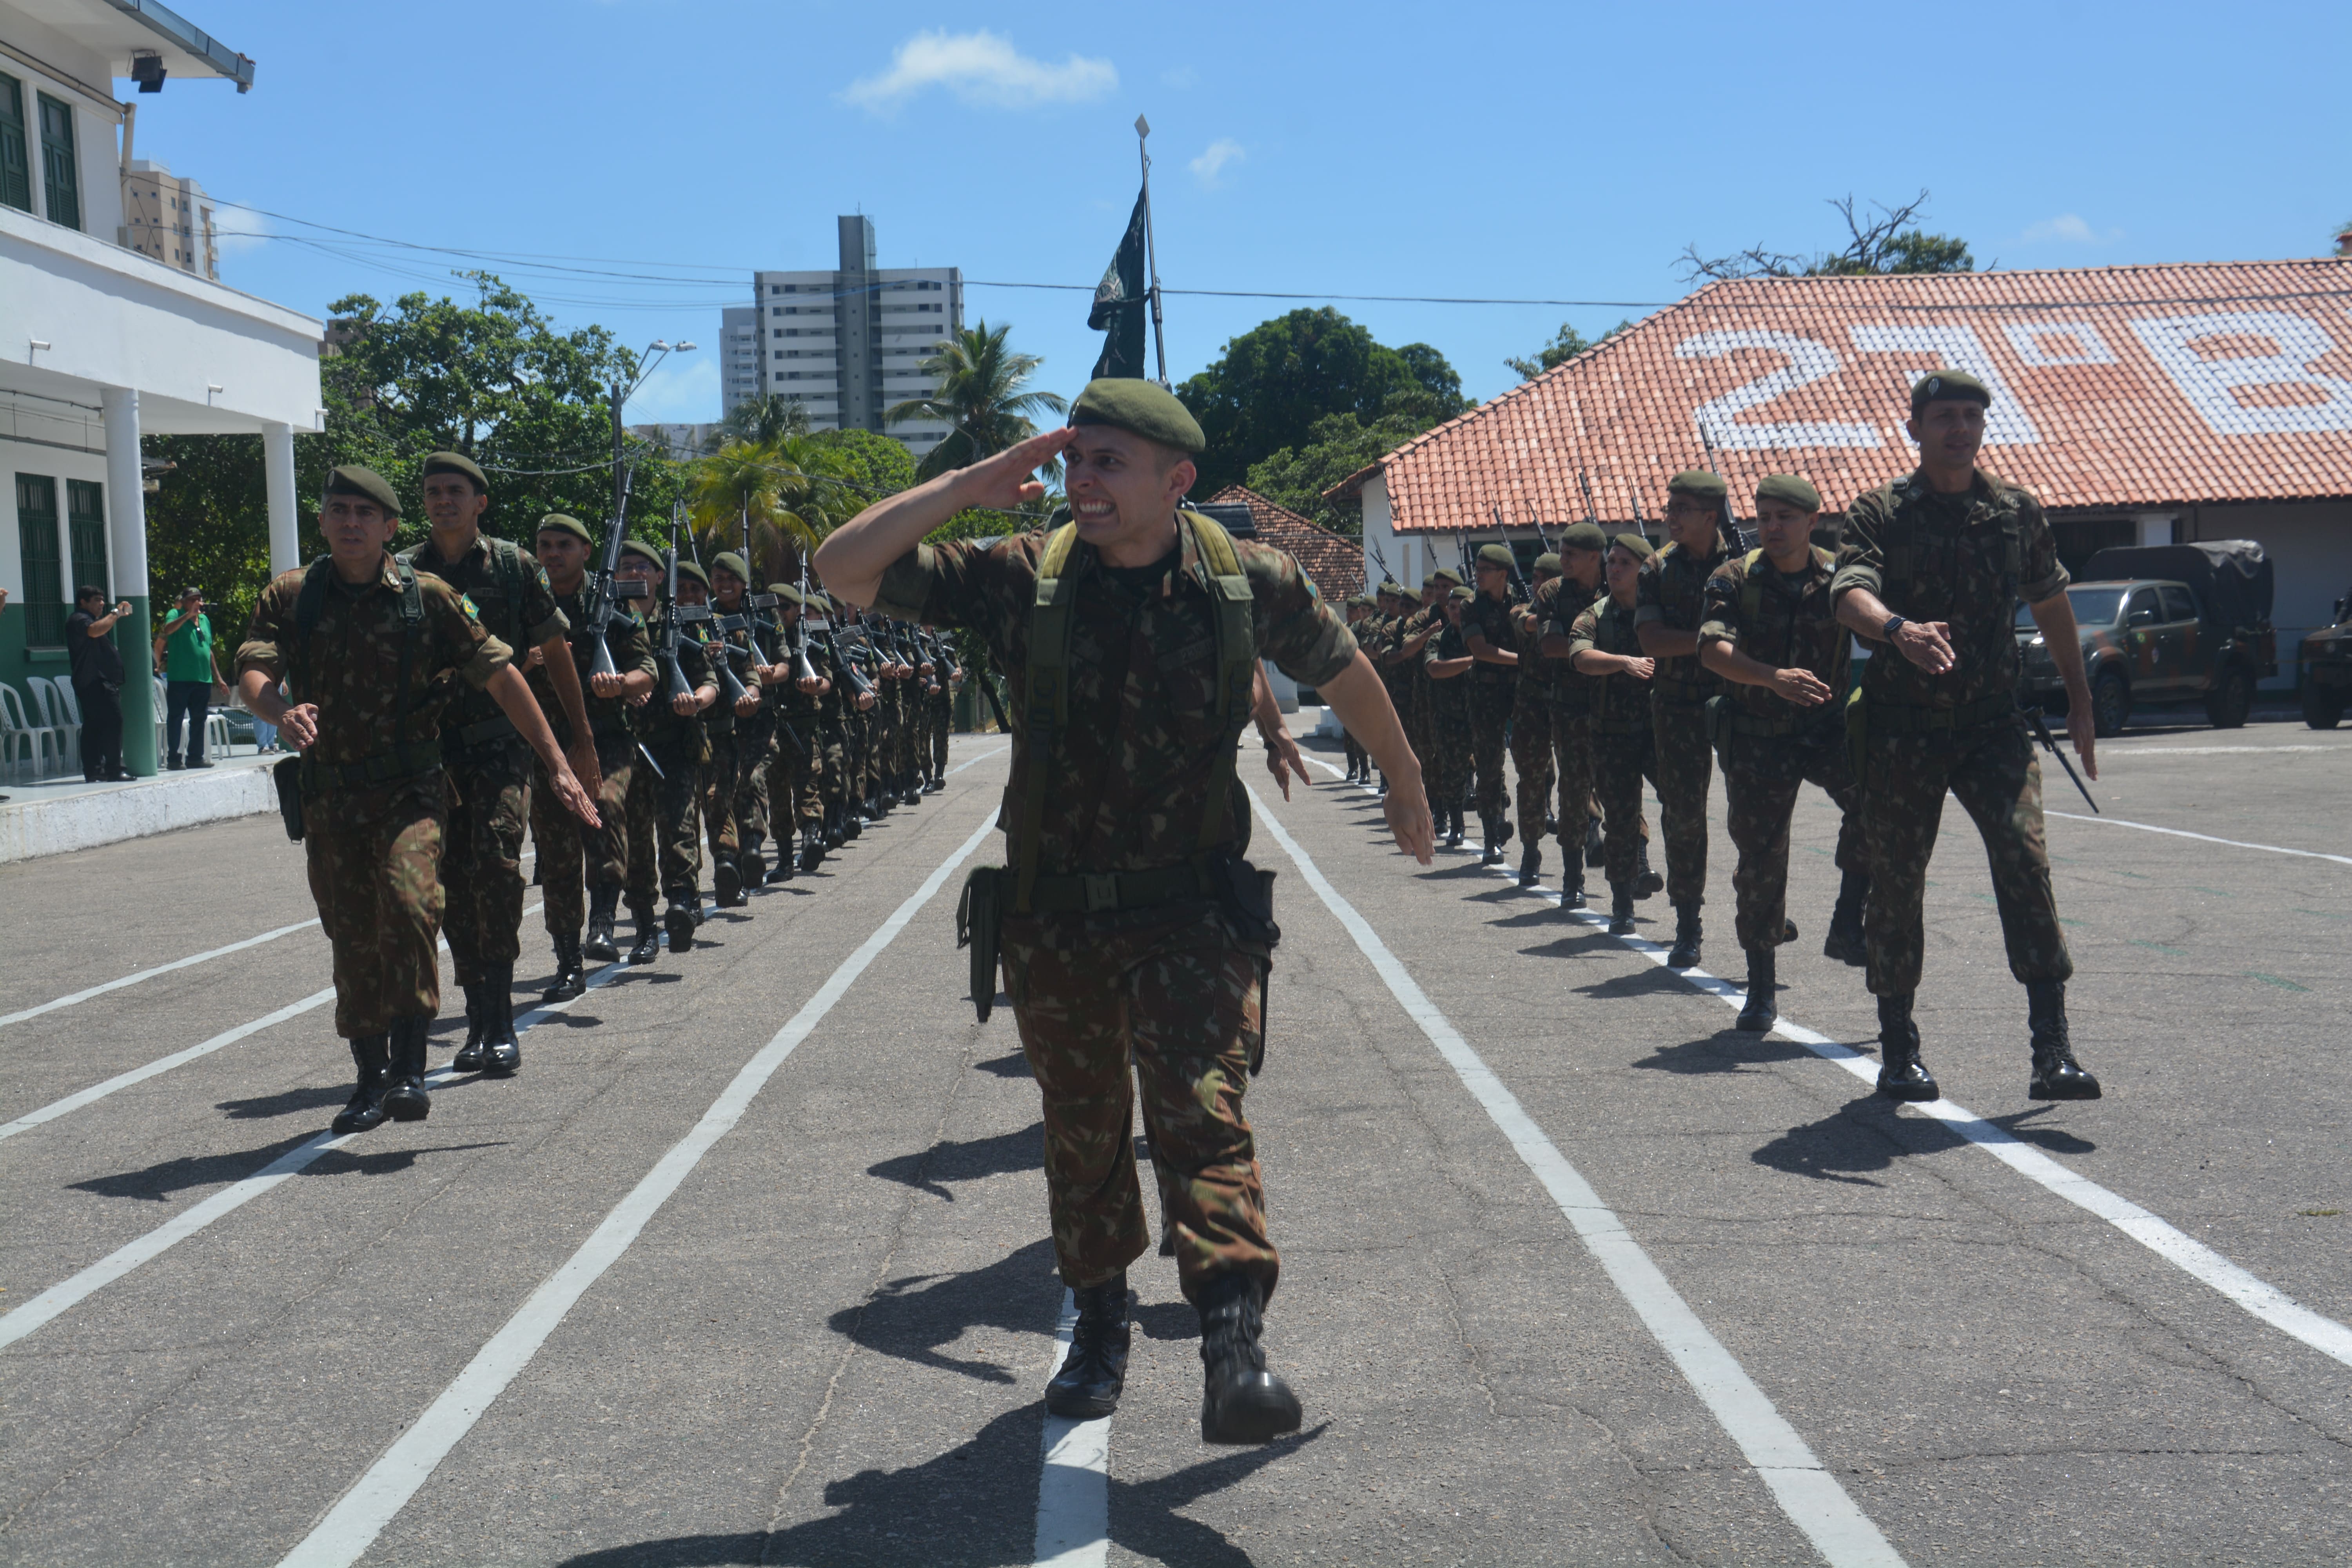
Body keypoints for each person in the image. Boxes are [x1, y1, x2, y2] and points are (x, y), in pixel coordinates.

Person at [816, 377, 1432, 1445]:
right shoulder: (1023, 577)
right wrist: (970, 485)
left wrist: (1408, 778)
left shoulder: (1245, 578)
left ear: (1175, 480)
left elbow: (1344, 669)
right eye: (1074, 461)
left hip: (1193, 908)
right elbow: (841, 569)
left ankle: (1234, 1342)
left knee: (1202, 1111)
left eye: (1109, 463)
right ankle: (1101, 1320)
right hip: (1055, 915)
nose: (1081, 482)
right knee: (1086, 1129)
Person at [237, 466, 597, 1137]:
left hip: (413, 789)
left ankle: (409, 1068)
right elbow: (253, 669)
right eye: (338, 510)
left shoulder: (427, 596)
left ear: (389, 528)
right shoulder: (292, 596)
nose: (350, 523)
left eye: (364, 514)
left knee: (412, 905)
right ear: (322, 521)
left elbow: (503, 673)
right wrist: (278, 710)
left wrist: (559, 760)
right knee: (352, 936)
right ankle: (369, 1076)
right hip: (333, 798)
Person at [1831, 369, 2102, 1102]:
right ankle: (1899, 1049)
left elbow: (2049, 601)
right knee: (1897, 881)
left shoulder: (2015, 512)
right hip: (1902, 731)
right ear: (1914, 428)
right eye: (1945, 416)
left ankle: (2053, 1050)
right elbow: (1847, 593)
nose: (1960, 428)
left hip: (1992, 728)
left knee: (2025, 863)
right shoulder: (1880, 512)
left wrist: (2079, 699)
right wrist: (1897, 629)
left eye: (1972, 417)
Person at [399, 452, 597, 1077]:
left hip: (501, 745)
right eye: (433, 492)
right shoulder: (403, 572)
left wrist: (579, 740)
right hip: (432, 753)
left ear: (480, 502)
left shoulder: (513, 567)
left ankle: (501, 1019)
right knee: (450, 887)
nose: (442, 501)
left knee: (498, 867)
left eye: (455, 491)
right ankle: (478, 1013)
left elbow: (555, 650)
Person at [1697, 475, 1870, 1033]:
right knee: (1760, 861)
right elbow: (1712, 649)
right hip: (1758, 734)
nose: (1772, 527)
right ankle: (1762, 987)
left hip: (1826, 728)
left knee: (1877, 807)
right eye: (1764, 517)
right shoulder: (1734, 579)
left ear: (1812, 522)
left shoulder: (1843, 576)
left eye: (1785, 518)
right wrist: (1773, 679)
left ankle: (1848, 922)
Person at [527, 513, 657, 999]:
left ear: (585, 551)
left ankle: (606, 918)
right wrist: (528, 659)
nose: (553, 553)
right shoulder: (527, 604)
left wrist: (621, 684)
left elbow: (648, 669)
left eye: (564, 544)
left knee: (604, 810)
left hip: (608, 739)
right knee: (557, 853)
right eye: (545, 544)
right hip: (548, 744)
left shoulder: (615, 605)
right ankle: (568, 963)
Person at [1634, 472, 1733, 969]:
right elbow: (1651, 641)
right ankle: (1687, 923)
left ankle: (1761, 912)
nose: (1668, 516)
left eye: (1681, 508)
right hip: (1676, 704)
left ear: (1710, 517)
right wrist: (1713, 641)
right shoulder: (1656, 568)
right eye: (1669, 506)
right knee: (1685, 814)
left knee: (1756, 817)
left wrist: (1695, 642)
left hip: (1738, 698)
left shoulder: (1743, 564)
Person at [625, 541, 719, 955]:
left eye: (641, 567)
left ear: (660, 576)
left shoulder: (679, 624)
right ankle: (645, 925)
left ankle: (681, 903)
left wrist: (695, 701)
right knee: (635, 841)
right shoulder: (611, 622)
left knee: (679, 830)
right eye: (625, 567)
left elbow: (711, 681)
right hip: (625, 749)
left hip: (674, 745)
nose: (632, 574)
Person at [1570, 535, 1662, 936]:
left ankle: (1687, 905)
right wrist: (1623, 661)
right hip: (1613, 735)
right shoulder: (1595, 615)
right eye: (1611, 562)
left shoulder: (1659, 613)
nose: (1614, 568)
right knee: (1622, 822)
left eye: (1625, 562)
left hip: (1660, 734)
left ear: (1644, 568)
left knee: (1683, 813)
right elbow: (1579, 655)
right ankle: (1622, 904)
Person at [1459, 544, 1523, 864]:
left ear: (1503, 574)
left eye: (1485, 570)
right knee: (1488, 765)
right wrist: (1522, 661)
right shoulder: (1471, 607)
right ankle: (1490, 837)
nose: (1478, 575)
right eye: (1477, 569)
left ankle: (1526, 824)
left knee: (1531, 761)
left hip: (1519, 693)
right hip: (1485, 695)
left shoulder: (1519, 603)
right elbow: (1481, 650)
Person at [1507, 555, 1562, 884]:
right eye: (1534, 577)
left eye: (1543, 578)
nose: (1535, 583)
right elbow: (1527, 623)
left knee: (1582, 779)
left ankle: (1588, 838)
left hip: (1569, 703)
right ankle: (1531, 850)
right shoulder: (1523, 610)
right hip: (1530, 707)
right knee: (1530, 780)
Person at [1422, 584, 1477, 849]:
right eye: (1452, 608)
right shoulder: (1439, 639)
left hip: (1481, 715)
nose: (1457, 612)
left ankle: (1495, 827)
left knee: (1492, 774)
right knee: (1452, 774)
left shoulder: (1479, 637)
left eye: (1462, 607)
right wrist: (1471, 661)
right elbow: (1434, 669)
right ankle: (1457, 825)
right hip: (1449, 717)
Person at [64, 586, 132, 782]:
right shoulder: (79, 619)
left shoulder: (92, 620)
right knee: (114, 721)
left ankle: (95, 770)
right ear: (83, 603)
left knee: (94, 726)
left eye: (103, 600)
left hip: (97, 681)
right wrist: (116, 613)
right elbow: (94, 632)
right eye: (96, 600)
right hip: (94, 681)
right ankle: (114, 769)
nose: (102, 603)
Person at [154, 588, 216, 770]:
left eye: (199, 599)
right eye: (192, 600)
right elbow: (168, 630)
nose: (197, 603)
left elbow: (208, 648)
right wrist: (188, 615)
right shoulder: (175, 614)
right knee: (176, 718)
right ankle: (174, 758)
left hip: (203, 678)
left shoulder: (205, 620)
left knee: (199, 718)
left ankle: (195, 757)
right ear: (184, 601)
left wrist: (218, 677)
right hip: (180, 678)